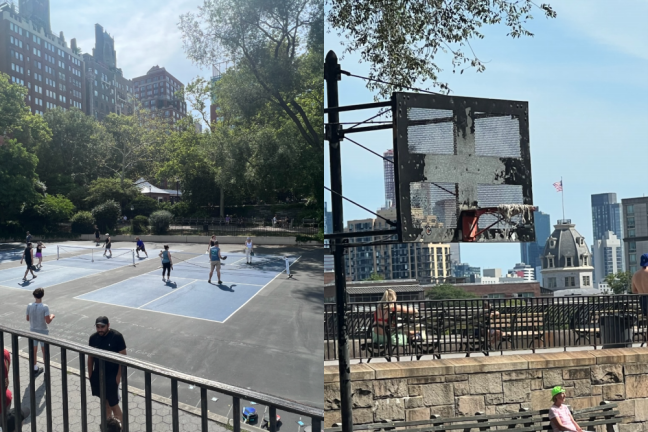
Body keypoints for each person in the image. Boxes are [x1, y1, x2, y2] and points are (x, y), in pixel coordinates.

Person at [88, 316, 126, 423]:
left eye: (102, 327)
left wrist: (118, 377)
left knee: (114, 404)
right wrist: (90, 374)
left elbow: (123, 358)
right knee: (104, 402)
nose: (100, 329)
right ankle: (108, 426)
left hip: (112, 377)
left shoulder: (117, 337)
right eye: (98, 327)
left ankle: (123, 428)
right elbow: (90, 358)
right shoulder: (93, 338)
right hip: (98, 376)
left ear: (108, 325)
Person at [26, 288, 54, 378]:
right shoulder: (45, 307)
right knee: (44, 351)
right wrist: (52, 316)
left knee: (33, 350)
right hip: (43, 331)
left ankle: (34, 368)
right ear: (42, 295)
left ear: (34, 296)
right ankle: (46, 371)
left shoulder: (29, 305)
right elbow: (48, 321)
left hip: (33, 330)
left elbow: (27, 318)